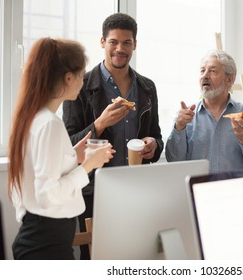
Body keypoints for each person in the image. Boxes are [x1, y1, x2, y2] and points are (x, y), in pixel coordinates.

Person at [62, 13, 163, 259]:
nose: (120, 48)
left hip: (137, 189)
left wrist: (153, 144)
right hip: (93, 191)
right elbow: (67, 147)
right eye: (113, 42)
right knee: (95, 258)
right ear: (102, 43)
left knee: (136, 257)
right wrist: (99, 123)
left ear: (135, 45)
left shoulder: (147, 88)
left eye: (127, 42)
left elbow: (157, 137)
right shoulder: (80, 85)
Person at [8, 37, 115, 260]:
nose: (83, 82)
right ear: (68, 78)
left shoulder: (33, 118)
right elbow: (48, 194)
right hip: (46, 244)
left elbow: (38, 174)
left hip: (39, 237)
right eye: (81, 75)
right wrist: (88, 165)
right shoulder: (50, 124)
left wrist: (71, 155)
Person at [165, 50, 243, 173]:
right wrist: (179, 128)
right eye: (202, 71)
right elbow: (173, 162)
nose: (205, 76)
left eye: (213, 71)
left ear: (229, 79)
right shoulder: (185, 117)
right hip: (198, 190)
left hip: (236, 190)